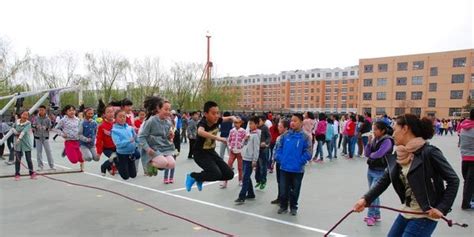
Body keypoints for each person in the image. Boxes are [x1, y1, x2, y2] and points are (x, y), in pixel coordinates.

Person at [353, 114, 459, 236]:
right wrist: (366, 199)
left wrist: (442, 207)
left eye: (395, 129)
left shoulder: (429, 153)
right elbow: (383, 180)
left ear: (405, 129)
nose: (392, 134)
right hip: (406, 211)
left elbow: (453, 180)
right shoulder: (400, 154)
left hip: (425, 214)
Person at [185, 101, 236, 192]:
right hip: (200, 153)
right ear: (205, 114)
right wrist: (218, 138)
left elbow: (225, 118)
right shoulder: (203, 123)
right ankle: (193, 176)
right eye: (213, 113)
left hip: (211, 152)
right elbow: (200, 132)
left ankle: (201, 178)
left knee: (229, 174)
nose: (216, 116)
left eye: (217, 113)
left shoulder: (216, 120)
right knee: (216, 174)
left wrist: (232, 117)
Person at [275, 113, 312, 215]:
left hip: (297, 169)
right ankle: (283, 206)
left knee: (295, 190)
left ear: (301, 123)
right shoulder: (285, 136)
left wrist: (300, 161)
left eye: (295, 120)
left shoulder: (305, 137)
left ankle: (293, 206)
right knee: (283, 189)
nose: (292, 122)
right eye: (291, 120)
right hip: (284, 168)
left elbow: (308, 152)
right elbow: (278, 149)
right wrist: (281, 159)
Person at [363, 121, 394, 226]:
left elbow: (379, 154)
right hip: (371, 170)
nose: (373, 131)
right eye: (373, 129)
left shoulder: (387, 141)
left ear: (383, 130)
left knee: (372, 195)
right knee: (374, 194)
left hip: (380, 171)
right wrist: (368, 143)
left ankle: (371, 216)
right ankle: (377, 214)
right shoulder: (374, 140)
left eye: (375, 129)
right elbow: (367, 153)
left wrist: (371, 154)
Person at [138, 96, 176, 178]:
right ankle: (149, 164)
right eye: (166, 109)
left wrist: (170, 136)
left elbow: (165, 136)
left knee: (172, 164)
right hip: (152, 148)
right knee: (163, 162)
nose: (168, 112)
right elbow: (141, 137)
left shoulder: (168, 122)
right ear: (158, 109)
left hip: (163, 147)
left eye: (169, 110)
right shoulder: (151, 121)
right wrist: (147, 149)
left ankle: (156, 165)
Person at [235, 116, 261, 204]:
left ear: (256, 124)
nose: (250, 125)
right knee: (246, 176)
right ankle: (251, 194)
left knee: (245, 177)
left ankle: (241, 196)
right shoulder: (249, 134)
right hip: (245, 157)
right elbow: (243, 144)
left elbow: (256, 149)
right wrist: (244, 140)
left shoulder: (256, 135)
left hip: (250, 159)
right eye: (249, 123)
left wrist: (254, 160)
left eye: (252, 123)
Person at [111, 110, 140, 180]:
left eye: (124, 116)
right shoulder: (114, 130)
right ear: (115, 118)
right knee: (125, 177)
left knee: (133, 175)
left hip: (131, 153)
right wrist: (129, 141)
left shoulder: (130, 128)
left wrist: (137, 143)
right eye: (120, 117)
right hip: (122, 154)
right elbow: (118, 144)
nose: (122, 118)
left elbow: (136, 138)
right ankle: (116, 161)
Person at [55, 105, 84, 171]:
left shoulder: (77, 119)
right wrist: (62, 134)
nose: (72, 112)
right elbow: (56, 128)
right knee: (74, 161)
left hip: (78, 141)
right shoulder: (63, 120)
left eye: (73, 110)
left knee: (82, 158)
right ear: (66, 112)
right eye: (70, 110)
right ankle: (67, 150)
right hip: (69, 141)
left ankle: (82, 166)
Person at [222, 116, 247, 188]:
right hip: (232, 151)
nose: (236, 124)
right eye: (235, 122)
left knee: (240, 167)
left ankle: (240, 181)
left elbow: (246, 140)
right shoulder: (232, 131)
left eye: (238, 122)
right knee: (228, 166)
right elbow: (229, 140)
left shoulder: (243, 131)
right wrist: (230, 147)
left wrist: (242, 146)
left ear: (241, 123)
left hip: (240, 152)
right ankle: (225, 182)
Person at [12, 111, 37, 181]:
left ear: (28, 117)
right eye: (24, 114)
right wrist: (15, 132)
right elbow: (13, 128)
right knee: (17, 160)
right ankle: (17, 174)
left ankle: (32, 173)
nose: (25, 116)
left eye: (26, 115)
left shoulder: (28, 123)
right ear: (21, 114)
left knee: (28, 159)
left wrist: (19, 138)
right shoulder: (17, 122)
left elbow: (24, 132)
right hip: (18, 144)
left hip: (26, 142)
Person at [271, 119, 290, 205]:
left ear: (286, 128)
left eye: (280, 126)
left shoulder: (288, 138)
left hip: (285, 163)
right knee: (279, 181)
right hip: (278, 162)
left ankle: (286, 199)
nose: (278, 128)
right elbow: (275, 149)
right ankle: (280, 197)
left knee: (285, 182)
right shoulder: (279, 137)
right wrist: (273, 160)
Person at [458, 109, 474, 209]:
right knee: (470, 182)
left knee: (468, 181)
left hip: (465, 158)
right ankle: (466, 203)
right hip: (473, 159)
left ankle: (470, 199)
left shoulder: (463, 128)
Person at [32, 105, 55, 171]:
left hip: (45, 137)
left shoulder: (48, 119)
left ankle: (51, 166)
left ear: (45, 110)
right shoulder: (36, 118)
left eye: (42, 110)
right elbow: (33, 125)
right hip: (37, 137)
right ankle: (40, 166)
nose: (41, 111)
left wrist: (46, 128)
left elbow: (50, 127)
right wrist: (36, 126)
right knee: (39, 152)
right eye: (40, 110)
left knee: (48, 151)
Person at [97, 105, 118, 176]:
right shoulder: (101, 126)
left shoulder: (118, 123)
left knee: (120, 157)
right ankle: (104, 166)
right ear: (104, 114)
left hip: (117, 147)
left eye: (112, 112)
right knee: (115, 157)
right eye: (108, 112)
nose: (110, 114)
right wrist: (99, 152)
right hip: (107, 148)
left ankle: (108, 166)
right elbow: (99, 140)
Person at [255, 115, 271, 190]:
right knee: (257, 166)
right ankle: (258, 180)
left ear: (264, 121)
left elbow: (269, 137)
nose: (258, 122)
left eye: (260, 120)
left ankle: (263, 181)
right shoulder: (256, 127)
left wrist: (265, 142)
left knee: (263, 166)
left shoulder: (265, 128)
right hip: (257, 149)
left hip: (263, 149)